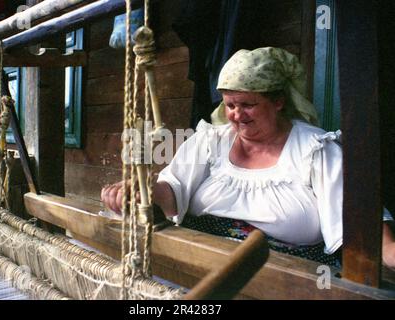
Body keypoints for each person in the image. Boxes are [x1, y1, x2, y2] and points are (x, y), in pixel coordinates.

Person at [101, 47, 395, 270]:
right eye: (230, 105)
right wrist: (144, 191)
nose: (236, 115)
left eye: (248, 105)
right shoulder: (210, 140)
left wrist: (389, 250)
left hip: (283, 278)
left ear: (278, 101)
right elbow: (173, 190)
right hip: (197, 264)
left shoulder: (315, 149)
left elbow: (358, 216)